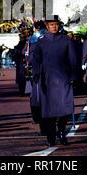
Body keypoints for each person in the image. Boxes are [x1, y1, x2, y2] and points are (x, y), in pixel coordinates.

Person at [32, 15, 77, 146]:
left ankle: (62, 131)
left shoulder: (66, 40)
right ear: (47, 26)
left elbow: (73, 59)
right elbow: (36, 59)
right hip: (47, 79)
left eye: (56, 24)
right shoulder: (41, 41)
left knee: (65, 107)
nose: (54, 27)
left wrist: (74, 76)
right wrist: (35, 73)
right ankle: (51, 136)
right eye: (51, 25)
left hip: (63, 79)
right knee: (49, 110)